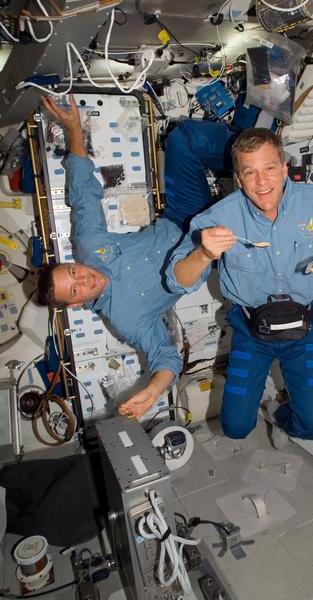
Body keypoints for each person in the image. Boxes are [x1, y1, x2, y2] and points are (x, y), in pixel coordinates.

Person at [165, 128, 313, 443]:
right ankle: (258, 407)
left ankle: (278, 414)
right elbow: (177, 279)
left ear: (284, 168)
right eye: (249, 172)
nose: (261, 181)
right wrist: (203, 254)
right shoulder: (218, 217)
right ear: (238, 179)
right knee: (235, 428)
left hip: (303, 329)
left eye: (269, 168)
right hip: (250, 332)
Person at [38, 94, 231, 419]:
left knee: (182, 139)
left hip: (182, 216)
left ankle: (249, 150)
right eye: (75, 289)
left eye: (73, 272)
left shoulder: (88, 245)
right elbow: (164, 357)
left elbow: (83, 192)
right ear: (75, 304)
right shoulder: (125, 320)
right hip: (208, 253)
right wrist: (153, 391)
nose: (83, 278)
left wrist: (73, 129)